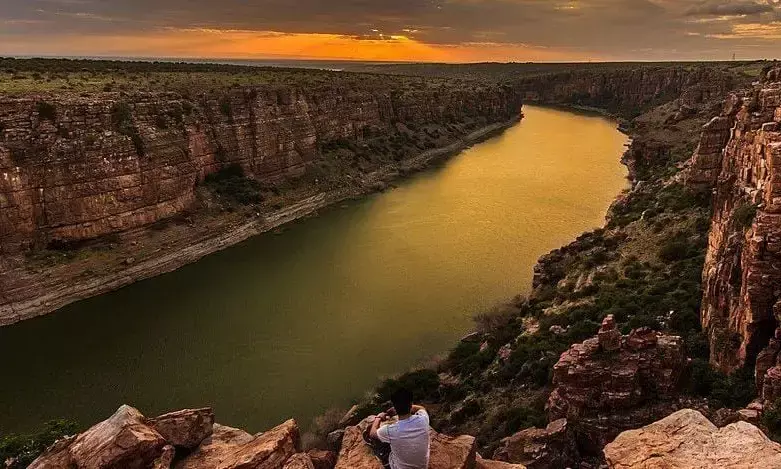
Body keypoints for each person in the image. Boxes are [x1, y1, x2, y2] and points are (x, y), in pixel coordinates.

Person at [369, 387, 431, 469]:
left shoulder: (390, 430)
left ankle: (384, 460)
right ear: (410, 403)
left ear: (394, 406)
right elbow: (421, 408)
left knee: (379, 441)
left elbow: (372, 433)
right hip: (422, 466)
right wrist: (405, 405)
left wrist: (378, 417)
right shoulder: (423, 419)